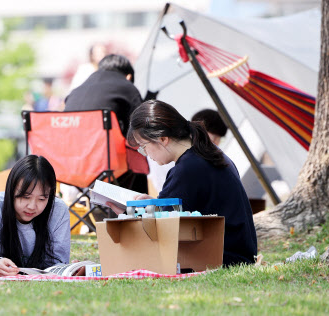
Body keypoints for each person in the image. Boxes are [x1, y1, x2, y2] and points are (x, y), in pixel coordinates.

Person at [109, 100, 257, 267]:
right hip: (236, 253)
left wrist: (129, 214)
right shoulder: (205, 155)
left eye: (144, 147)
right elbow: (177, 212)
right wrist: (151, 205)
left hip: (223, 258)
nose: (146, 154)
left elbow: (159, 232)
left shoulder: (187, 169)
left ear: (163, 138)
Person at [0, 155, 70, 277]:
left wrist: (70, 270)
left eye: (42, 198)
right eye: (25, 197)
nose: (32, 206)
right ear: (11, 190)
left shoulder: (58, 210)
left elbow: (57, 263)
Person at [65, 53, 147, 193]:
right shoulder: (127, 86)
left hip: (72, 163)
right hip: (107, 162)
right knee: (137, 160)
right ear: (128, 76)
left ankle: (100, 208)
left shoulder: (75, 91)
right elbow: (142, 127)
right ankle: (137, 212)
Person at [148, 108, 228, 194]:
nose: (216, 143)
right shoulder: (182, 155)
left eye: (219, 139)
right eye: (215, 138)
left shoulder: (196, 154)